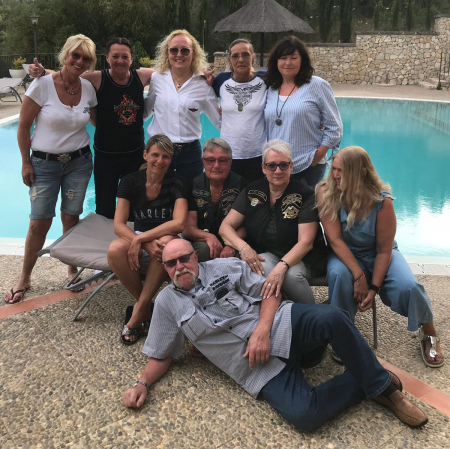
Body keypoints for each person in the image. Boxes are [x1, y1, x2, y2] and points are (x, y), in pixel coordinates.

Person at [122, 238, 428, 430]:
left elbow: (271, 292)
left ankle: (384, 389)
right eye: (171, 263)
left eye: (184, 259)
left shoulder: (226, 267)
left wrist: (262, 330)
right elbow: (161, 354)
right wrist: (142, 384)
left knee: (333, 317)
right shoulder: (166, 303)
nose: (179, 267)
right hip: (257, 368)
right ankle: (367, 375)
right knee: (305, 415)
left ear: (195, 256)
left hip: (281, 326)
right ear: (164, 267)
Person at [316, 146, 444, 368]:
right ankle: (343, 333)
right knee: (339, 275)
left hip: (379, 254)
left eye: (341, 171)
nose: (335, 175)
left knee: (409, 287)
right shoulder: (326, 191)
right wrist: (358, 275)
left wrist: (373, 288)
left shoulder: (382, 202)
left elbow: (384, 251)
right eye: (333, 169)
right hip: (344, 253)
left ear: (360, 173)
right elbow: (335, 240)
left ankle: (429, 331)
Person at [5, 35, 97, 304]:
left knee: (71, 217)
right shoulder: (42, 85)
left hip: (79, 162)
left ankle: (71, 269)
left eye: (85, 58)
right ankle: (24, 277)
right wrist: (25, 162)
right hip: (44, 163)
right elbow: (23, 126)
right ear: (65, 55)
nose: (79, 61)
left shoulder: (87, 88)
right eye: (75, 55)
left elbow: (98, 121)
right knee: (39, 222)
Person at [29, 37, 154, 219]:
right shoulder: (97, 78)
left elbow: (171, 73)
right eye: (115, 56)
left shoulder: (141, 76)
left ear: (131, 59)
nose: (120, 61)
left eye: (125, 57)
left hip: (135, 156)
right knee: (105, 209)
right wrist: (43, 71)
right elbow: (67, 73)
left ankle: (131, 237)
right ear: (107, 58)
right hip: (106, 157)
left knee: (135, 207)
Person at [219, 140, 327, 304]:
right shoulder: (253, 190)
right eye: (271, 166)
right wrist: (244, 247)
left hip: (304, 257)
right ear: (263, 168)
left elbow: (305, 243)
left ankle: (313, 314)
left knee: (291, 276)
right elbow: (225, 227)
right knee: (258, 267)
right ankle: (280, 311)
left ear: (291, 167)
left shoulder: (305, 194)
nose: (278, 171)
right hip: (270, 252)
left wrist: (282, 266)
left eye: (283, 165)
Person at [107, 134, 187, 344]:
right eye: (155, 155)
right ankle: (146, 306)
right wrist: (142, 241)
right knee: (115, 250)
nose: (160, 161)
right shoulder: (130, 181)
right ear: (145, 155)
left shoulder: (176, 182)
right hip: (142, 237)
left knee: (166, 244)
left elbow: (179, 223)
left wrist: (142, 240)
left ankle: (138, 312)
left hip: (166, 238)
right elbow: (118, 225)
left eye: (165, 157)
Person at [264, 36, 342, 188]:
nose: (288, 63)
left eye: (293, 58)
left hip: (307, 166)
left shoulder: (317, 85)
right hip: (277, 168)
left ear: (303, 61)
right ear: (276, 61)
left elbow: (334, 127)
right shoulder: (271, 89)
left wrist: (316, 157)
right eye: (283, 58)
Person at [144, 30, 221, 179]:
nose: (179, 55)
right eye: (174, 50)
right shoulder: (157, 79)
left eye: (185, 50)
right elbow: (145, 113)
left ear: (193, 53)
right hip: (159, 151)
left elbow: (219, 121)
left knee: (190, 193)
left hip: (190, 155)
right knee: (157, 193)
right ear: (167, 53)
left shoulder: (203, 84)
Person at [183, 138, 247, 260]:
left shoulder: (242, 185)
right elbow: (188, 228)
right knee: (203, 250)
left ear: (230, 162)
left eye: (222, 160)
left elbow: (246, 226)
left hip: (233, 239)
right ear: (203, 161)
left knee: (240, 255)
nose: (216, 165)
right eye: (210, 160)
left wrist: (232, 244)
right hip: (202, 240)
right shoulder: (193, 185)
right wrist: (209, 237)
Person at [213, 39, 267, 182]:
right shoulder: (221, 81)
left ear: (253, 58)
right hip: (229, 154)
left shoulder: (265, 80)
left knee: (256, 194)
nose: (241, 59)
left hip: (258, 155)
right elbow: (203, 95)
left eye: (246, 55)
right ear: (230, 60)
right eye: (235, 56)